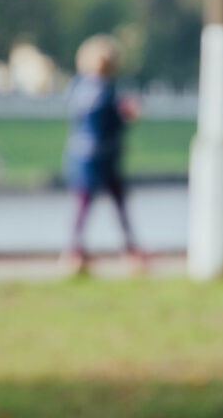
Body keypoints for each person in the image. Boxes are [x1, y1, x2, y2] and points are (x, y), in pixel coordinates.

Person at [61, 34, 145, 274]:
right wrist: (125, 115)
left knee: (83, 206)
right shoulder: (105, 92)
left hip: (81, 156)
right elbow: (108, 122)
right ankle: (128, 250)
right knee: (114, 205)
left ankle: (76, 251)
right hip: (103, 157)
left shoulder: (78, 87)